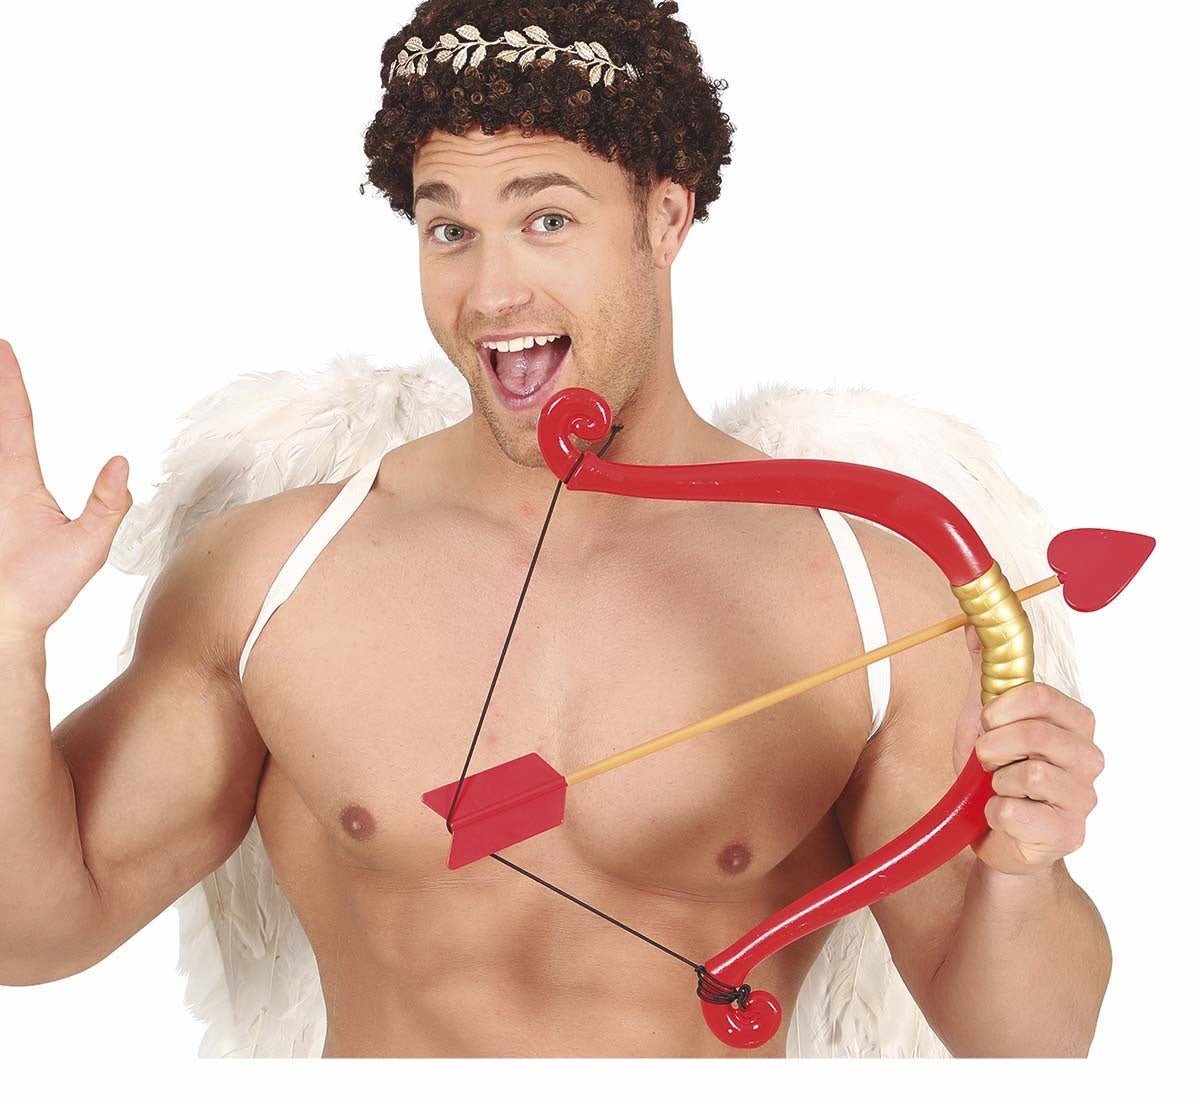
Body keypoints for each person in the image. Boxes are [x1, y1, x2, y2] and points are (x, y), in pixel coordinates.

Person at [0, 0, 1111, 1057]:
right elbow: (34, 935)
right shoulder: (274, 572)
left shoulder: (871, 592)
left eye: (547, 220)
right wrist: (6, 638)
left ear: (665, 217)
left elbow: (1025, 1042)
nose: (492, 291)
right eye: (449, 229)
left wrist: (1023, 871)